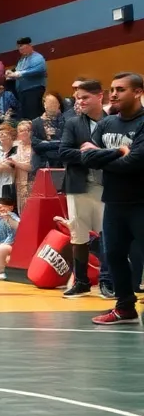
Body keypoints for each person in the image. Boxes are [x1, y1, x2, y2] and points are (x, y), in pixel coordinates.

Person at [80, 72, 144, 324]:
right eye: (112, 89)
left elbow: (136, 162)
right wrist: (119, 151)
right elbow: (86, 156)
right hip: (115, 202)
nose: (114, 94)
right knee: (114, 255)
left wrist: (104, 157)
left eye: (121, 89)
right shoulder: (107, 124)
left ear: (138, 92)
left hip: (141, 201)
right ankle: (125, 307)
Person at [57, 78, 105, 298]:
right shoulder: (73, 123)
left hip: (107, 186)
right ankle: (81, 281)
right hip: (78, 185)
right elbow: (64, 152)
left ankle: (107, 280)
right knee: (78, 236)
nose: (80, 102)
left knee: (108, 235)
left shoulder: (114, 121)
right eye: (77, 98)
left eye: (85, 97)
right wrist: (90, 154)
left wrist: (97, 153)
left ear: (99, 96)